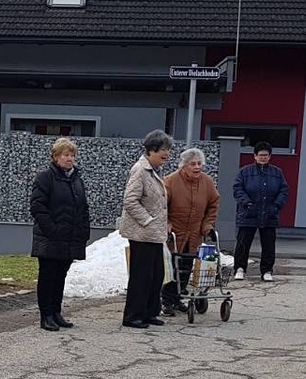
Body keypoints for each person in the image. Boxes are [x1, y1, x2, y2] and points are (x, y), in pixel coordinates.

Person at [29, 136, 91, 331]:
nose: (69, 158)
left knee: (60, 276)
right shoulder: (45, 178)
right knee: (48, 276)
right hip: (50, 238)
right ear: (56, 157)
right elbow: (37, 206)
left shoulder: (76, 180)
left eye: (72, 155)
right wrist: (52, 230)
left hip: (70, 238)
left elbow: (83, 208)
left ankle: (56, 312)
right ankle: (46, 315)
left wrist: (83, 231)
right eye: (65, 155)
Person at [116, 129, 175, 329]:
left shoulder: (154, 171)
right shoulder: (140, 170)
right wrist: (148, 221)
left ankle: (150, 312)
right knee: (141, 276)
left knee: (156, 275)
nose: (166, 154)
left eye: (168, 150)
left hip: (155, 235)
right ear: (152, 150)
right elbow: (130, 201)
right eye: (163, 150)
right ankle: (133, 316)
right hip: (141, 234)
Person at [163, 147, 221, 312]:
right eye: (193, 164)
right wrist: (166, 222)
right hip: (175, 232)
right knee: (172, 267)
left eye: (199, 164)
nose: (197, 167)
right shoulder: (170, 181)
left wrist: (207, 225)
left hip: (194, 232)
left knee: (186, 267)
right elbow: (161, 205)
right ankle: (167, 301)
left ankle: (178, 298)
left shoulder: (207, 182)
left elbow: (213, 204)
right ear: (184, 165)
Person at [231, 141, 289, 282]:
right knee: (243, 242)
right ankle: (240, 268)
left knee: (269, 244)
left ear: (270, 156)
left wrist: (276, 206)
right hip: (248, 212)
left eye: (266, 155)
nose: (263, 157)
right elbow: (238, 189)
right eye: (261, 155)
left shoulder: (277, 173)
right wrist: (247, 203)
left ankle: (267, 270)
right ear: (255, 156)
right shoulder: (245, 172)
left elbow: (284, 190)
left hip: (269, 213)